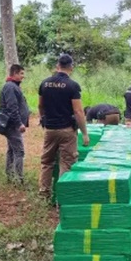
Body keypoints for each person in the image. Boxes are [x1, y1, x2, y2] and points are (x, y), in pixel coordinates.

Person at [38, 54, 90, 198]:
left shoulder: (45, 83)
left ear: (57, 66)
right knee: (66, 162)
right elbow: (78, 111)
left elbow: (40, 105)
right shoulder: (72, 86)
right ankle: (63, 197)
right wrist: (84, 133)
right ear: (71, 68)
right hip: (67, 130)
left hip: (50, 129)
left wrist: (44, 120)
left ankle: (44, 193)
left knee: (47, 162)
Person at [0, 64, 30, 183]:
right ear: (15, 73)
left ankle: (11, 176)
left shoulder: (12, 86)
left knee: (12, 150)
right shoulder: (10, 87)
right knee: (19, 151)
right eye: (21, 73)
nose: (23, 76)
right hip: (12, 125)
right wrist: (19, 123)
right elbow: (12, 107)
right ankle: (19, 178)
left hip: (12, 124)